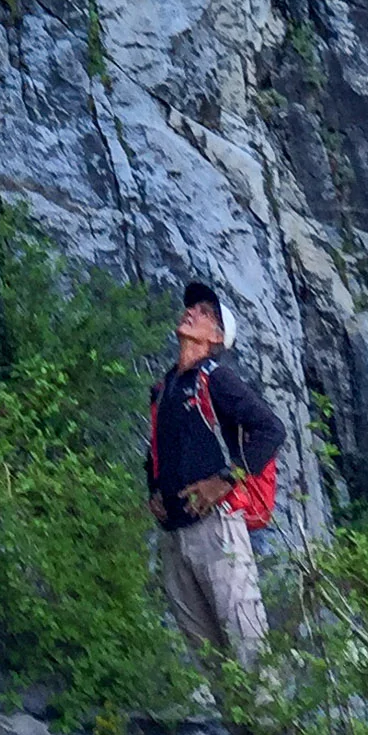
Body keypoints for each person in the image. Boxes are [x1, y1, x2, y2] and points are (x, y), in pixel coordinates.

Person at [147, 279, 284, 666]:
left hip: (217, 527)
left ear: (217, 338)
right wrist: (153, 490)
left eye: (206, 313)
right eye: (193, 308)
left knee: (246, 641)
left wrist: (225, 480)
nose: (191, 312)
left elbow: (271, 430)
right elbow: (155, 449)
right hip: (175, 534)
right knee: (207, 654)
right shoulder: (164, 387)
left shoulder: (216, 377)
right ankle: (239, 728)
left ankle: (270, 726)